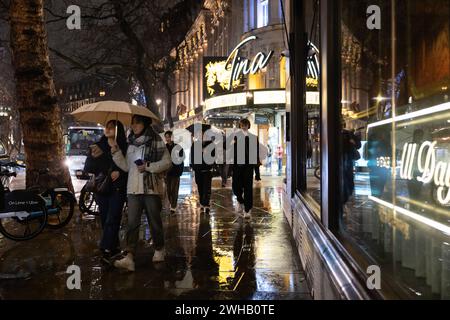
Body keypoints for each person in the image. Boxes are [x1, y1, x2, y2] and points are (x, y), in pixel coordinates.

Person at [111, 115, 172, 272]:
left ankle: (159, 248)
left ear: (144, 123)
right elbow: (126, 166)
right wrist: (117, 153)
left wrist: (148, 166)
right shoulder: (130, 142)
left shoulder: (156, 140)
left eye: (137, 122)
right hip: (133, 189)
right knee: (132, 223)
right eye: (132, 122)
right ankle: (129, 257)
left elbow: (167, 162)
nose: (134, 125)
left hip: (151, 189)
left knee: (154, 221)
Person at [83, 120, 128, 265]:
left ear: (118, 130)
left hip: (118, 188)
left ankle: (105, 248)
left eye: (111, 127)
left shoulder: (125, 147)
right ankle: (113, 247)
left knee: (113, 218)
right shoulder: (97, 146)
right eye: (106, 127)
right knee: (104, 219)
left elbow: (129, 168)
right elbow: (88, 167)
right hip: (102, 188)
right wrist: (99, 159)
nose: (107, 129)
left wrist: (119, 173)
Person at [232, 119, 259, 219]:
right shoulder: (235, 136)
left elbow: (255, 154)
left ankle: (247, 210)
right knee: (236, 186)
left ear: (248, 126)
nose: (244, 126)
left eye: (245, 125)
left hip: (248, 167)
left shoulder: (253, 137)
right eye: (242, 125)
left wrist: (257, 172)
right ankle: (240, 200)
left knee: (248, 189)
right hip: (237, 167)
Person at [191, 134, 215, 214]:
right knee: (200, 188)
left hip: (207, 170)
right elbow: (192, 157)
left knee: (207, 188)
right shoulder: (195, 145)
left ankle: (206, 204)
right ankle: (202, 203)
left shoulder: (210, 144)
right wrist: (194, 167)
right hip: (198, 170)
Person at [164, 131, 184, 214]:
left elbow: (182, 158)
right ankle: (171, 203)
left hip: (175, 172)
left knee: (174, 189)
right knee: (168, 190)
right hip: (167, 172)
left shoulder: (178, 147)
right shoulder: (164, 148)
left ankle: (173, 206)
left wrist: (179, 170)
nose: (167, 138)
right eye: (166, 137)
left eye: (168, 137)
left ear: (172, 137)